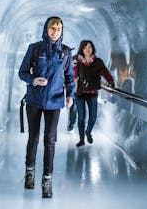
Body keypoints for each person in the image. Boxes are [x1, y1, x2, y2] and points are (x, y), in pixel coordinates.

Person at [18, 17, 75, 198]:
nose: (55, 31)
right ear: (46, 29)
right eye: (52, 28)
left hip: (54, 102)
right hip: (34, 100)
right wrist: (33, 80)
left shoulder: (65, 52)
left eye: (58, 28)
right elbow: (22, 72)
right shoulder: (35, 49)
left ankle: (47, 179)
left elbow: (69, 77)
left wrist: (70, 95)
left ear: (61, 31)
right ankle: (29, 172)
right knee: (33, 138)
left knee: (50, 140)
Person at [74, 40, 114, 147]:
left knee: (93, 117)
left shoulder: (98, 62)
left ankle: (88, 132)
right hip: (80, 92)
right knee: (81, 117)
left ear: (93, 49)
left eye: (90, 47)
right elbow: (71, 73)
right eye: (85, 48)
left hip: (92, 92)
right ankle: (81, 139)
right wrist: (73, 68)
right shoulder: (76, 60)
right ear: (82, 49)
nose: (88, 50)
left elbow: (105, 72)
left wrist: (110, 81)